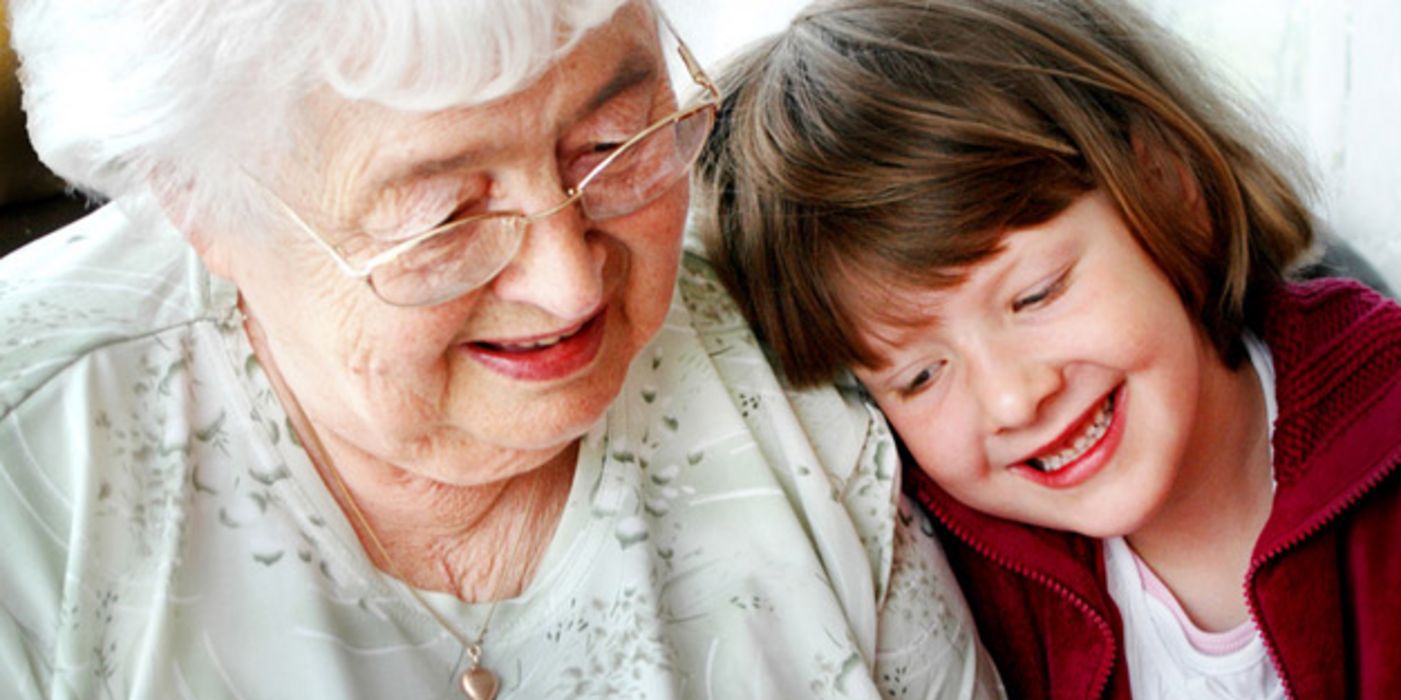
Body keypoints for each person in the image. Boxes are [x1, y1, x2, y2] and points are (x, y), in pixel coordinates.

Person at [0, 0, 1003, 696]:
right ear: (199, 207)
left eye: (611, 142)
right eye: (445, 215)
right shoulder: (32, 483)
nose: (569, 279)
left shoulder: (790, 363)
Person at [694, 0, 1401, 698]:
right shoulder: (941, 578)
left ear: (1163, 185)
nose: (1010, 397)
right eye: (919, 376)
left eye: (1034, 295)